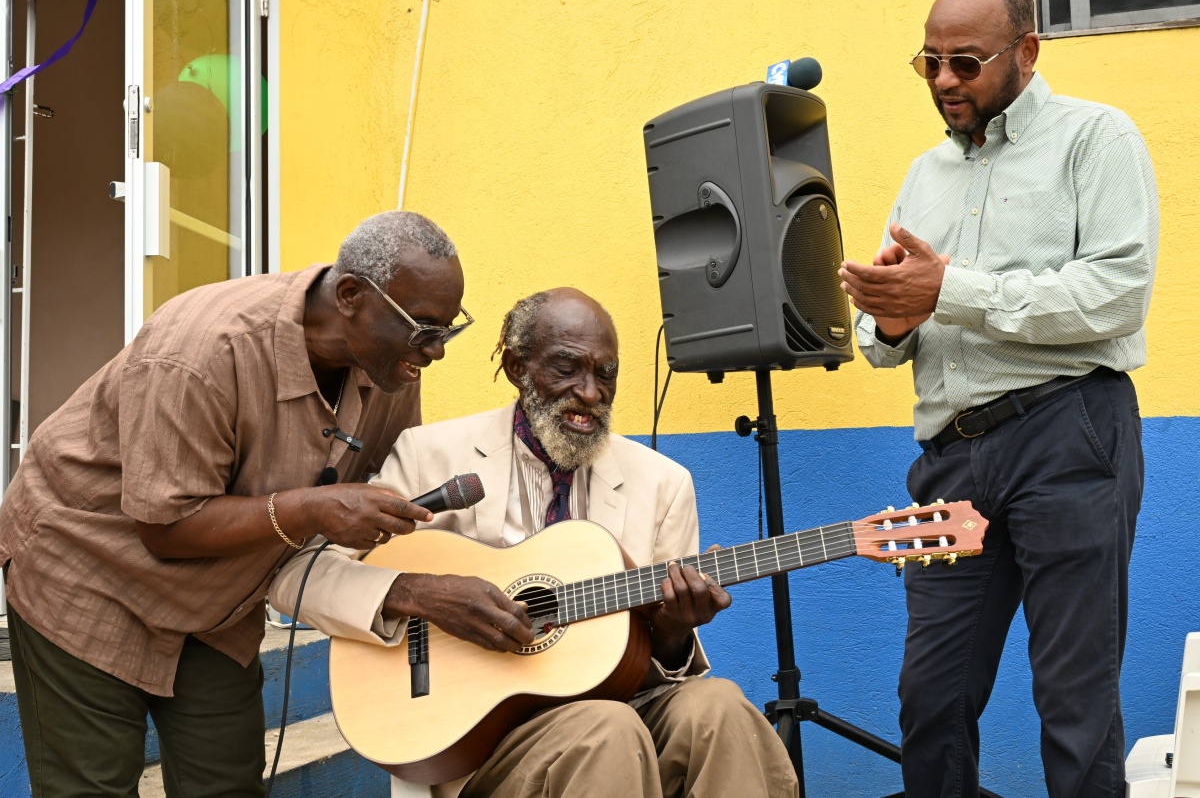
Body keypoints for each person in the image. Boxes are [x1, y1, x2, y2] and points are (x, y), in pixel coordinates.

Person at [0, 210, 470, 797]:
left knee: (226, 786)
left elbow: (388, 474)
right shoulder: (199, 350)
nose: (436, 351)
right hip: (86, 574)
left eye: (447, 331)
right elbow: (164, 527)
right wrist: (310, 509)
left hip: (217, 606)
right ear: (351, 294)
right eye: (423, 328)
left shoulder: (391, 359)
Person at [271, 287, 799, 798]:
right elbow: (300, 575)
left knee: (721, 707)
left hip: (628, 712)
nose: (590, 393)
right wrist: (419, 593)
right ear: (517, 367)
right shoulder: (430, 454)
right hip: (484, 743)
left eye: (605, 374)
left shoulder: (663, 484)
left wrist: (675, 628)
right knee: (604, 731)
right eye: (567, 369)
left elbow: (660, 665)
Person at [839, 0, 1158, 796]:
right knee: (930, 698)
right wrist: (893, 316)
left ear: (1027, 52)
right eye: (930, 63)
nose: (945, 80)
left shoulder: (1096, 138)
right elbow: (881, 345)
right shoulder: (923, 176)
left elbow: (1118, 292)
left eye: (966, 63)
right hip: (951, 458)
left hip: (1068, 430)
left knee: (1074, 702)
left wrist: (952, 290)